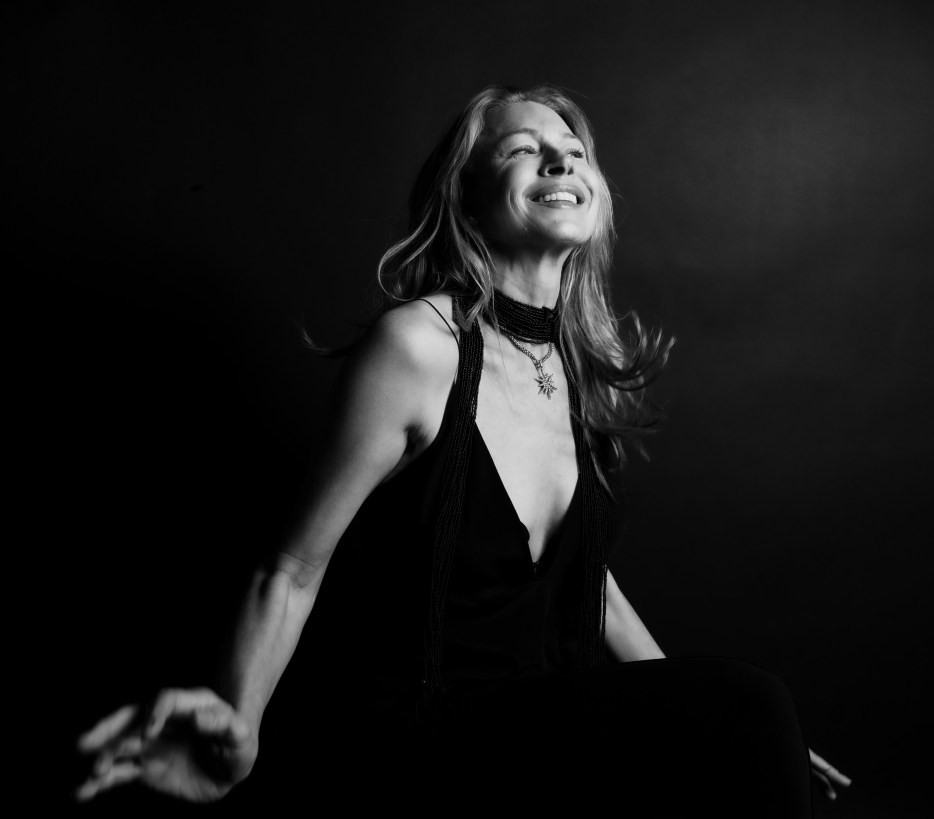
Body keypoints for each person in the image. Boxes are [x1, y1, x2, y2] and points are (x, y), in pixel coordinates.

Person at [76, 84, 850, 815]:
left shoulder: (576, 370)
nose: (562, 161)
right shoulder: (421, 346)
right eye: (523, 149)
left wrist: (734, 738)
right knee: (749, 705)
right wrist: (236, 721)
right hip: (423, 738)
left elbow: (590, 587)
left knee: (748, 728)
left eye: (574, 150)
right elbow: (292, 567)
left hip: (541, 730)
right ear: (468, 195)